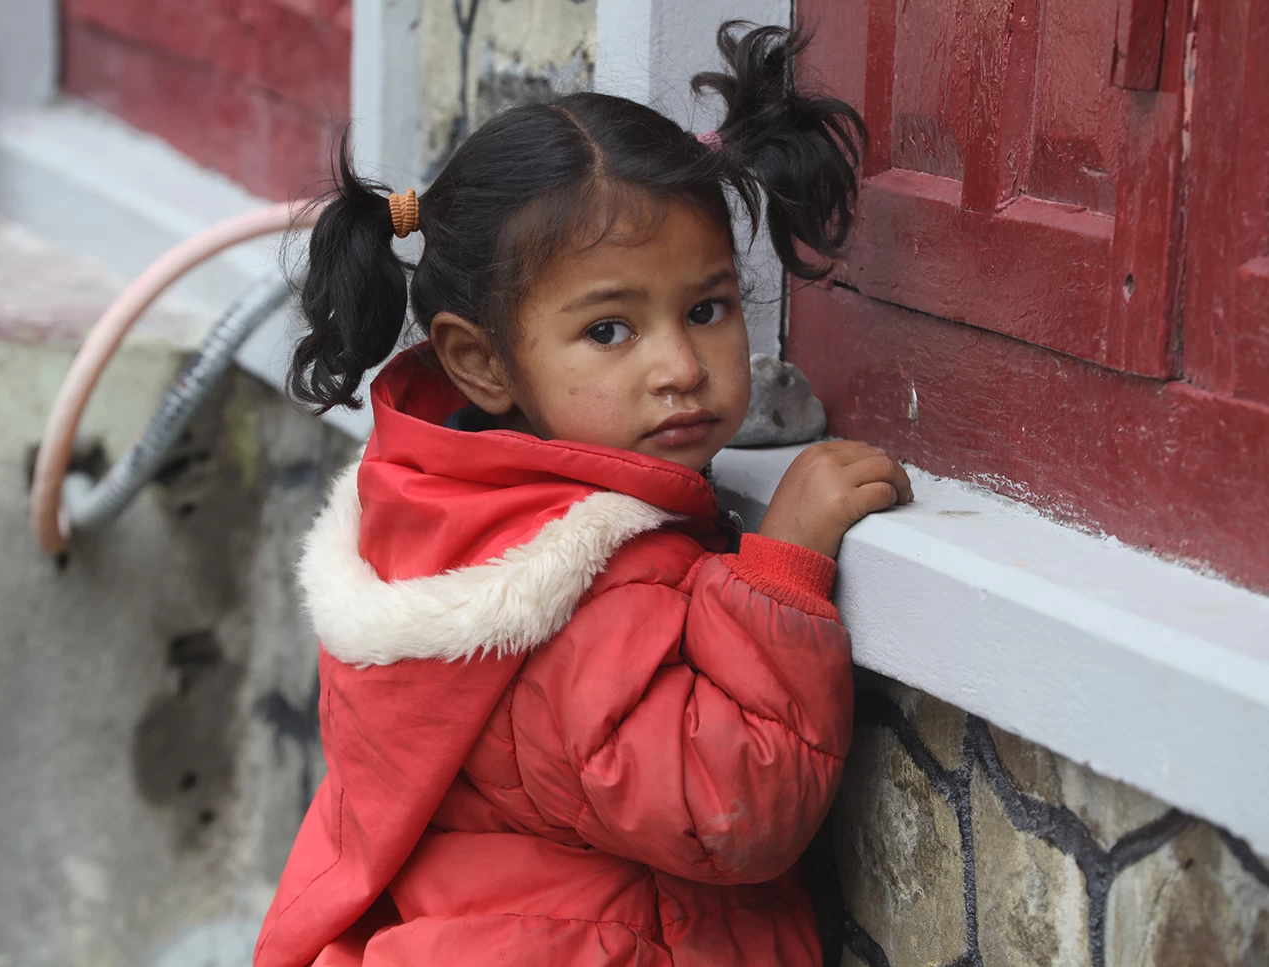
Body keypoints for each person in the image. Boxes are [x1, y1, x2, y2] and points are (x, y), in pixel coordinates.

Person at [256, 20, 913, 967]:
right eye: (610, 332)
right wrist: (782, 570)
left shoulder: (441, 507)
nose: (680, 367)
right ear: (480, 362)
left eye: (706, 309)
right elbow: (723, 808)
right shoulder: (567, 582)